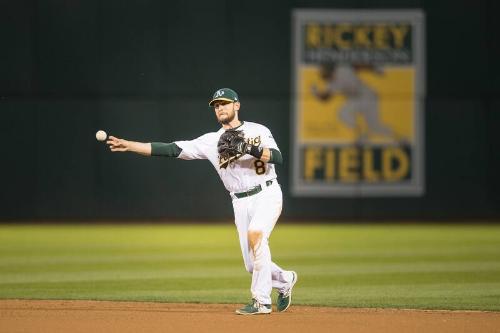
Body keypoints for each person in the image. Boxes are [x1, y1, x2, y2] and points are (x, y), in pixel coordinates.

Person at [106, 88, 297, 315]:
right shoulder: (211, 141)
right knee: (251, 264)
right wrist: (130, 146)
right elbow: (171, 149)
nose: (220, 108)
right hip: (240, 202)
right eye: (216, 105)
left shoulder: (258, 130)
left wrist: (247, 147)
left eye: (224, 103)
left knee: (256, 235)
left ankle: (261, 301)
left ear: (237, 105)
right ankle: (285, 280)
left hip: (267, 193)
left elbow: (277, 157)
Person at [311, 62, 400, 144]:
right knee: (343, 113)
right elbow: (325, 98)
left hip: (367, 95)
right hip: (356, 99)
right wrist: (316, 93)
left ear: (332, 70)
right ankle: (362, 135)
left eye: (327, 74)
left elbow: (359, 66)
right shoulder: (331, 83)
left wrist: (374, 68)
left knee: (375, 127)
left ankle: (399, 137)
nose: (326, 77)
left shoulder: (343, 69)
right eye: (325, 75)